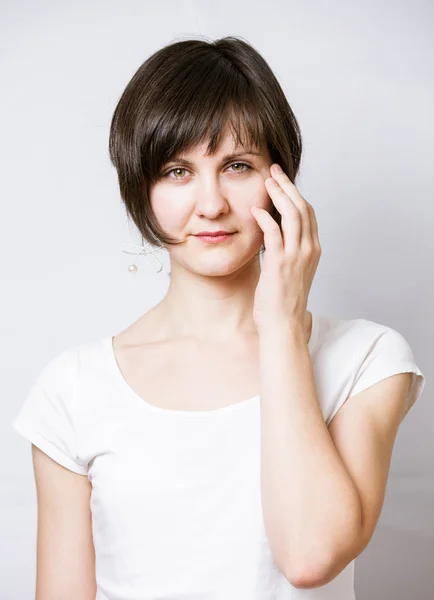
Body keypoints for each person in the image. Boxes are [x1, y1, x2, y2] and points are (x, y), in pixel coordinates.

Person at [13, 36, 425, 600]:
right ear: (142, 188)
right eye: (177, 171)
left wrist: (281, 328)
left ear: (280, 179)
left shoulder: (367, 362)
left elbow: (310, 556)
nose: (210, 204)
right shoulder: (73, 390)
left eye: (236, 166)